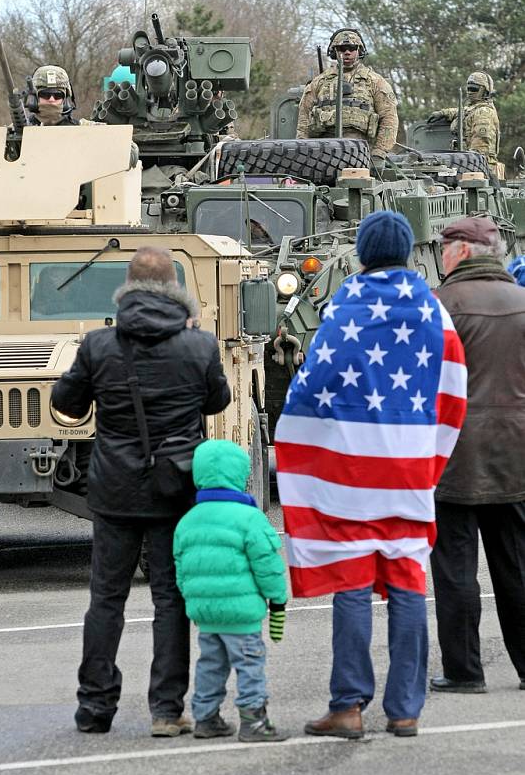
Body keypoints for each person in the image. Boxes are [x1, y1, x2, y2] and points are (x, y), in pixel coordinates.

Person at [275, 210, 467, 738]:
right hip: (408, 469)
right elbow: (454, 396)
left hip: (349, 473)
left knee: (353, 583)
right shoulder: (434, 312)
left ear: (361, 253)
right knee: (408, 583)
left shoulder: (345, 309)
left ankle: (349, 704)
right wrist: (431, 463)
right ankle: (405, 708)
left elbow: (310, 388)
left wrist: (299, 449)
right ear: (409, 251)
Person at [51, 245, 231, 736]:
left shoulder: (98, 345)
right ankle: (167, 710)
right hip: (175, 488)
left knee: (106, 598)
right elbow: (218, 401)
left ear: (126, 287)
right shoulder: (200, 345)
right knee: (170, 598)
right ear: (175, 288)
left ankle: (94, 707)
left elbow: (65, 402)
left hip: (114, 490)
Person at [430, 216, 525, 694]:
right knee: (517, 566)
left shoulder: (439, 306)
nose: (440, 255)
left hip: (451, 457)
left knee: (455, 570)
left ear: (463, 251)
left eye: (444, 247)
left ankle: (465, 672)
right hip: (516, 456)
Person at [173, 438, 287, 742]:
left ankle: (206, 717)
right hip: (242, 615)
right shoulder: (250, 518)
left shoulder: (187, 521)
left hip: (206, 614)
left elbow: (181, 567)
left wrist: (191, 598)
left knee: (210, 665)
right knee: (249, 665)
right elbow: (267, 565)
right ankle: (254, 721)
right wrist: (277, 598)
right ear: (240, 475)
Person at [296, 29, 398, 172]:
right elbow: (304, 119)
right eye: (342, 49)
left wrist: (379, 154)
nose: (347, 52)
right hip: (322, 153)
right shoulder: (319, 82)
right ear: (334, 52)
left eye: (352, 48)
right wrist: (302, 151)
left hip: (361, 154)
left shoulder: (375, 82)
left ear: (359, 50)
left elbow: (389, 119)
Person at [428, 72, 502, 177]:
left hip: (477, 168)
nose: (470, 92)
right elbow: (463, 112)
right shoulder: (474, 108)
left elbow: (479, 151)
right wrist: (443, 113)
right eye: (468, 88)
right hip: (466, 163)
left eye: (474, 89)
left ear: (484, 90)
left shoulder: (484, 113)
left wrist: (460, 163)